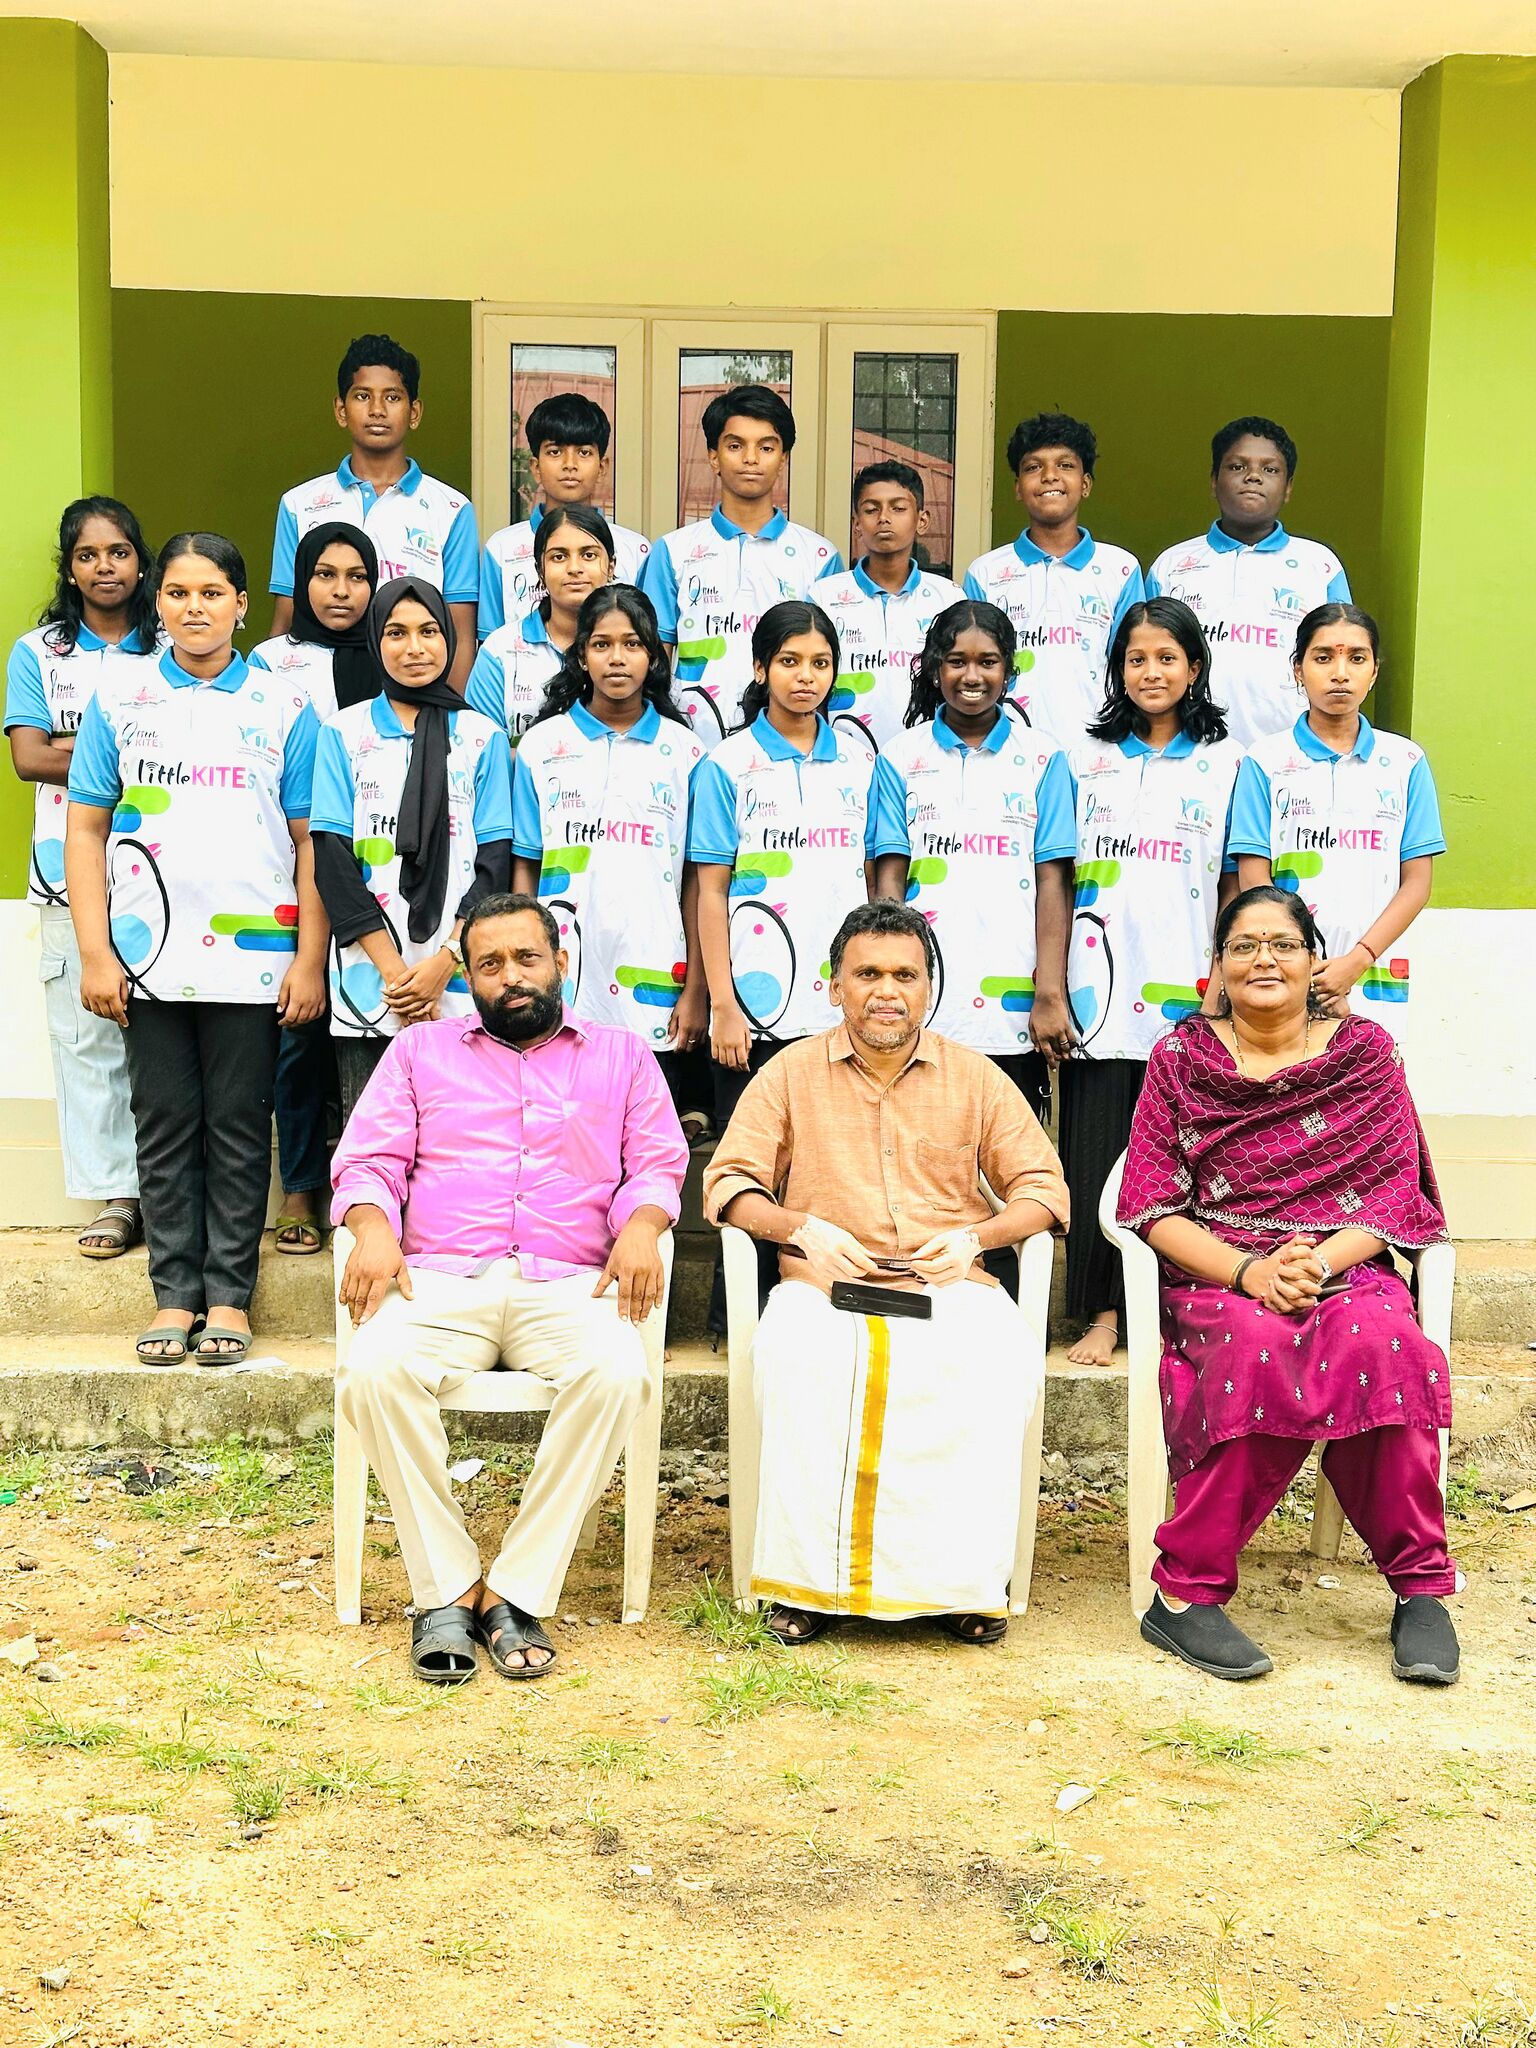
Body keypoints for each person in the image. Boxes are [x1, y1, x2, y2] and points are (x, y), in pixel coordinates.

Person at [330, 893, 689, 1685]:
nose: (511, 976)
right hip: (438, 1277)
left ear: (560, 962)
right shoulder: (419, 1052)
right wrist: (372, 1227)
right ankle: (450, 1585)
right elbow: (368, 1162)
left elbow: (657, 1162)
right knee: (373, 1370)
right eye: (489, 964)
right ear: (469, 976)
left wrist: (642, 1225)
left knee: (617, 1372)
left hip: (569, 1282)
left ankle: (516, 1590)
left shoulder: (623, 1056)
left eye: (526, 957)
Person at [1117, 885, 1460, 1687]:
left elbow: (1392, 1192)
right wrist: (1252, 1272)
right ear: (1218, 966)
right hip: (1221, 1269)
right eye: (1244, 946)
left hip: (1342, 1264)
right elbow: (1152, 1206)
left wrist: (1316, 1265)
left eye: (1283, 944)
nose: (1264, 959)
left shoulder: (1364, 1054)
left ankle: (1420, 1588)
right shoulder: (1182, 1060)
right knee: (1258, 1348)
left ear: (1313, 960)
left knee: (1387, 1345)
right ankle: (1185, 1593)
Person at [702, 899, 1069, 1644]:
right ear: (834, 985)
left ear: (929, 987)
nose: (886, 991)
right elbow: (729, 1182)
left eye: (905, 974)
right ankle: (808, 1586)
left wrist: (975, 1237)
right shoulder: (789, 1073)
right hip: (824, 1287)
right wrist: (800, 1229)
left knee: (991, 1358)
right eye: (867, 973)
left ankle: (960, 1584)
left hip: (948, 1284)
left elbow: (1045, 1190)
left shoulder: (976, 1078)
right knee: (800, 1358)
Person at [65, 533, 325, 1366]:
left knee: (241, 1128)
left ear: (242, 604)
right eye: (178, 593)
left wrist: (308, 959)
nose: (195, 608)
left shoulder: (285, 705)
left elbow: (311, 841)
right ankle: (174, 1296)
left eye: (212, 592)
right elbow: (86, 828)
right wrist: (97, 952)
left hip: (254, 958)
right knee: (165, 1122)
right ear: (159, 603)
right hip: (147, 961)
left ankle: (229, 1299)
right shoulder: (121, 696)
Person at [1059, 598, 1242, 1369]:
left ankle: (1174, 1310)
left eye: (1167, 657)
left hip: (1188, 989)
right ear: (1118, 669)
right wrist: (1052, 985)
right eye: (1136, 659)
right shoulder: (1082, 757)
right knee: (1096, 1151)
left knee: (1183, 1158)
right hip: (1098, 991)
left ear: (1195, 667)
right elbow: (1056, 876)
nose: (1151, 671)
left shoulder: (1230, 762)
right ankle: (1101, 1313)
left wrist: (1223, 982)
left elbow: (1237, 882)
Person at [5, 497, 156, 1260]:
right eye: (88, 555)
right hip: (65, 871)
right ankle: (117, 1195)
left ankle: (168, 1187)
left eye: (119, 552)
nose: (105, 567)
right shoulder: (39, 653)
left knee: (165, 1040)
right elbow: (29, 757)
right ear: (69, 568)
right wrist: (127, 750)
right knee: (88, 1038)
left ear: (141, 561)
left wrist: (80, 747)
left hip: (164, 871)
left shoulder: (170, 643)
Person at [310, 578, 514, 1127]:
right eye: (396, 633)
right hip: (373, 981)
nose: (415, 647)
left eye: (428, 631)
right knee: (375, 1140)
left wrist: (444, 964)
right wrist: (400, 978)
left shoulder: (482, 738)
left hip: (463, 977)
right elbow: (332, 861)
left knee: (464, 1138)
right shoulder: (342, 733)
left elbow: (494, 865)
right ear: (375, 642)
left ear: (449, 638)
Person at [871, 600, 1076, 1124]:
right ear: (934, 667)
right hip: (926, 1002)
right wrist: (890, 982)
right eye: (957, 660)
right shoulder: (899, 756)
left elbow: (1053, 882)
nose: (972, 676)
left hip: (1012, 1007)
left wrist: (1049, 992)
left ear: (1009, 669)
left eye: (988, 661)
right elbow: (889, 882)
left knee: (1005, 1155)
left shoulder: (1044, 758)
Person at [510, 584, 707, 1115]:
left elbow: (697, 880)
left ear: (654, 657)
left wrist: (696, 989)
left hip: (656, 977)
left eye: (632, 644)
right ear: (580, 655)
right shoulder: (541, 747)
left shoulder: (686, 753)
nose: (617, 658)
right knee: (565, 1130)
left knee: (645, 1136)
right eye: (601, 644)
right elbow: (526, 866)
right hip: (563, 976)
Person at [688, 600, 880, 1133]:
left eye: (820, 663)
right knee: (753, 1165)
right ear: (760, 668)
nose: (806, 677)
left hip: (842, 1009)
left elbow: (871, 885)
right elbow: (711, 893)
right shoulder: (726, 765)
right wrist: (723, 1005)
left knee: (839, 1157)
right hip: (752, 1013)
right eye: (789, 661)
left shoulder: (862, 763)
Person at [250, 521, 380, 1253]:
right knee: (299, 1033)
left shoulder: (393, 649)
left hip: (377, 870)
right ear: (300, 583)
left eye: (357, 577)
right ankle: (301, 1188)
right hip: (297, 864)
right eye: (324, 575)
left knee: (372, 1035)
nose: (340, 591)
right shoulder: (271, 661)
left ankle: (375, 1193)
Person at [1230, 604, 1444, 1038]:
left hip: (1375, 975)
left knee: (1370, 1078)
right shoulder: (1263, 761)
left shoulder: (1406, 762)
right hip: (1286, 975)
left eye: (1357, 658)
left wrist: (1356, 962)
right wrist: (1301, 963)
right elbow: (1254, 878)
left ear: (1374, 672)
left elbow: (1417, 883)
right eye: (1323, 657)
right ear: (1298, 669)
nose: (1340, 673)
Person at [268, 334, 478, 690]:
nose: (377, 410)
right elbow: (286, 621)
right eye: (362, 396)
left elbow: (459, 632)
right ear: (341, 410)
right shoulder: (299, 504)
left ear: (414, 412)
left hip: (415, 693)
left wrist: (450, 712)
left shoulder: (452, 509)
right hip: (318, 694)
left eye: (392, 397)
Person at [640, 384, 842, 747]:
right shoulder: (672, 551)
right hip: (692, 744)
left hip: (786, 746)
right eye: (735, 446)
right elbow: (654, 661)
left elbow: (827, 665)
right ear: (713, 457)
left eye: (766, 447)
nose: (751, 458)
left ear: (783, 459)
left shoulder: (820, 557)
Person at [1146, 416, 1351, 750]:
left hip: (1291, 750)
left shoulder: (1320, 566)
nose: (1253, 476)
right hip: (1190, 748)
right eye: (1237, 466)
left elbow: (1343, 659)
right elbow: (1144, 658)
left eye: (1270, 469)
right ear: (1214, 481)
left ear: (1288, 487)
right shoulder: (1170, 566)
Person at [963, 413, 1142, 747]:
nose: (1049, 476)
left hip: (1100, 748)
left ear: (1085, 484)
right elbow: (974, 670)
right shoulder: (985, 574)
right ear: (1018, 488)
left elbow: (1134, 665)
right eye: (1033, 467)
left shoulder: (1120, 569)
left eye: (1065, 465)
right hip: (1008, 749)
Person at [813, 461, 963, 751]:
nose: (884, 518)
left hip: (929, 756)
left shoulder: (949, 598)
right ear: (857, 523)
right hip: (844, 757)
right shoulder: (823, 597)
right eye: (871, 509)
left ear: (922, 520)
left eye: (898, 508)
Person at [478, 392, 650, 639]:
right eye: (555, 452)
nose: (570, 464)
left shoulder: (636, 551)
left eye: (584, 452)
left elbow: (643, 641)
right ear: (535, 468)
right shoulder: (501, 549)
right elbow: (490, 640)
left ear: (602, 467)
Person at [466, 505, 612, 747]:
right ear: (539, 570)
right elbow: (481, 751)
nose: (574, 568)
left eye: (588, 555)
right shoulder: (500, 652)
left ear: (611, 566)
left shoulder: (633, 647)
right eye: (559, 557)